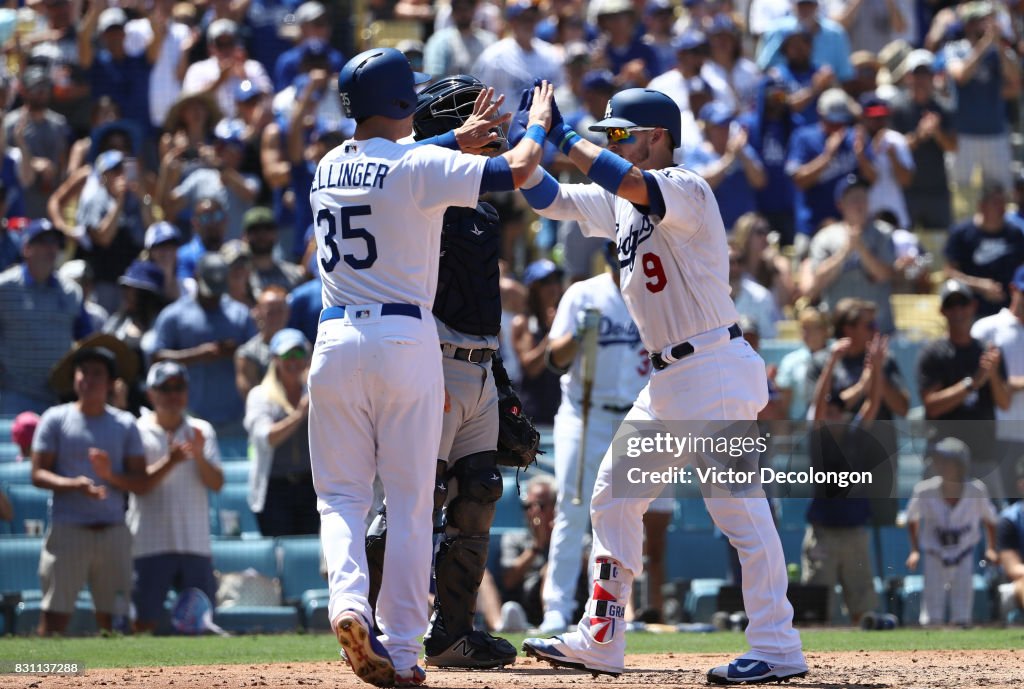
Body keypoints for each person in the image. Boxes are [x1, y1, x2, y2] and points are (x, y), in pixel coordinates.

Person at [516, 86, 807, 683]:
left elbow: (632, 185)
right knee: (613, 500)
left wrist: (565, 137)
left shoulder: (686, 187)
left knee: (739, 512)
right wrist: (525, 143)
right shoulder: (620, 201)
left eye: (622, 133)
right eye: (611, 134)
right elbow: (549, 199)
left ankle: (777, 644)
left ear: (658, 137)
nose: (613, 139)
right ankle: (603, 637)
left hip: (713, 366)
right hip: (671, 378)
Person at [309, 48, 551, 688]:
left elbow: (394, 159)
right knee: (415, 502)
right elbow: (521, 168)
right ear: (402, 104)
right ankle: (407, 651)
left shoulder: (329, 164)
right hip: (404, 340)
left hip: (333, 340)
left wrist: (454, 136)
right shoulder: (418, 164)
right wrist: (541, 124)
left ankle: (347, 605)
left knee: (340, 497)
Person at [362, 75, 534, 670]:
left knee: (479, 493)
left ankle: (453, 634)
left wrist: (504, 385)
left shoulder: (478, 205)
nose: (483, 123)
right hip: (428, 361)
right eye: (464, 114)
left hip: (479, 366)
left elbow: (485, 304)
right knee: (416, 502)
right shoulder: (414, 195)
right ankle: (368, 625)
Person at [540, 243, 670, 634]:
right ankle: (556, 608)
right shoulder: (583, 294)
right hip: (586, 413)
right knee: (573, 507)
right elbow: (554, 358)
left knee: (628, 515)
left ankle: (615, 609)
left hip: (637, 415)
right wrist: (581, 333)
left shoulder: (653, 296)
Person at [30, 345, 146, 635]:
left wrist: (110, 476)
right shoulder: (55, 419)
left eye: (97, 373)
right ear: (74, 379)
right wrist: (75, 485)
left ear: (110, 384)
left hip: (113, 532)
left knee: (117, 623)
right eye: (83, 372)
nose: (89, 379)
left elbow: (141, 480)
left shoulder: (125, 424)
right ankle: (45, 678)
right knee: (54, 619)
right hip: (68, 530)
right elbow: (38, 473)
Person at [129, 361, 224, 633]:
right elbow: (138, 485)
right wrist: (171, 461)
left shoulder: (201, 431)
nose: (173, 394)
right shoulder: (136, 430)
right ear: (150, 393)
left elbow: (216, 483)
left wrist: (198, 455)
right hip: (148, 544)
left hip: (194, 543)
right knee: (144, 624)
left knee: (200, 627)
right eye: (165, 388)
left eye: (179, 387)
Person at [803, 330, 886, 625]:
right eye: (831, 410)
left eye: (839, 410)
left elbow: (873, 403)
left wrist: (876, 367)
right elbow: (817, 409)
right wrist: (832, 361)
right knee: (817, 608)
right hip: (824, 531)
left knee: (862, 605)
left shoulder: (855, 436)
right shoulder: (819, 439)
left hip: (854, 531)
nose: (834, 415)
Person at [918, 279, 1009, 497]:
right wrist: (973, 383)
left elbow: (1004, 402)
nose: (958, 310)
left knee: (991, 523)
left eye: (963, 303)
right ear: (942, 311)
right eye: (951, 305)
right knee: (935, 522)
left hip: (983, 455)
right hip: (943, 458)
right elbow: (932, 406)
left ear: (973, 306)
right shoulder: (933, 354)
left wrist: (993, 374)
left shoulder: (988, 352)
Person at [151, 253, 257, 436]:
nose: (213, 298)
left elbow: (258, 355)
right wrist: (198, 355)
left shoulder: (240, 314)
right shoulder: (174, 315)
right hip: (189, 417)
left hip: (236, 418)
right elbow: (157, 357)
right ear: (197, 277)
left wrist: (236, 352)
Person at [0, 219, 90, 415]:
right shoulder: (4, 288)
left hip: (58, 399)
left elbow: (87, 339)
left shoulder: (71, 292)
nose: (51, 248)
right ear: (26, 248)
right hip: (12, 395)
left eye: (55, 243)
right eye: (43, 241)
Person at [906, 437, 999, 626]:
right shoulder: (924, 490)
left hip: (964, 553)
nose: (940, 465)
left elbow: (991, 520)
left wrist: (991, 548)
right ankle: (931, 650)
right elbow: (911, 518)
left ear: (960, 464)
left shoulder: (976, 490)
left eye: (946, 461)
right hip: (935, 553)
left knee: (962, 612)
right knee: (932, 614)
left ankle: (960, 653)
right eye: (939, 460)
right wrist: (914, 550)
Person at [800, 174, 896, 333]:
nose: (860, 204)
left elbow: (884, 275)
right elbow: (817, 284)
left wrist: (861, 249)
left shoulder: (883, 233)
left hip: (878, 329)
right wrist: (845, 252)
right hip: (838, 330)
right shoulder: (825, 237)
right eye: (853, 199)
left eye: (863, 197)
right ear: (840, 205)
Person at [244, 328, 317, 537]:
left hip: (311, 487)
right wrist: (299, 415)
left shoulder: (315, 392)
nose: (293, 361)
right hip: (274, 489)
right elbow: (266, 438)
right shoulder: (259, 396)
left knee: (310, 554)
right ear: (275, 358)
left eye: (299, 354)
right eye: (287, 355)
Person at [943, 1, 1020, 197]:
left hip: (996, 133)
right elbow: (960, 77)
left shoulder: (998, 51)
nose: (988, 25)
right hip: (964, 135)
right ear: (969, 24)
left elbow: (1015, 81)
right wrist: (985, 45)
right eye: (982, 21)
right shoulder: (956, 48)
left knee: (1000, 193)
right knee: (963, 194)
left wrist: (999, 48)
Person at [971, 266, 1024, 509]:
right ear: (1014, 289)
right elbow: (973, 380)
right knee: (1000, 512)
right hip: (999, 435)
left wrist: (1011, 384)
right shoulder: (987, 328)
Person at [887, 49, 957, 230]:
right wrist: (919, 135)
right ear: (908, 76)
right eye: (917, 74)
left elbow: (952, 147)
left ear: (933, 76)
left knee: (940, 246)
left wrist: (936, 132)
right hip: (907, 192)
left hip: (937, 191)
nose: (921, 79)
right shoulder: (897, 108)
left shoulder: (944, 107)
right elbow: (894, 148)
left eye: (926, 74)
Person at [944, 184, 1024, 318]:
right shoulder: (962, 233)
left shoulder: (1015, 234)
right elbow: (950, 272)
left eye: (1003, 203)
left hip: (1009, 313)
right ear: (981, 206)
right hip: (972, 311)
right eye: (996, 203)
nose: (1001, 208)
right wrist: (979, 285)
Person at [511, 259, 565, 425]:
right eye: (546, 282)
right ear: (533, 288)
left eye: (556, 280)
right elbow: (531, 368)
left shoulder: (565, 320)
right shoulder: (523, 323)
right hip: (534, 416)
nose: (553, 287)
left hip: (562, 412)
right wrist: (552, 333)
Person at [236, 286, 290, 402]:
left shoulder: (304, 346)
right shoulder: (247, 354)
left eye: (280, 311)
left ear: (288, 312)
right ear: (258, 313)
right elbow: (251, 399)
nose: (276, 317)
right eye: (270, 313)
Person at [775, 306, 830, 420]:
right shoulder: (790, 361)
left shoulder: (837, 355)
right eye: (804, 328)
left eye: (812, 328)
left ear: (825, 330)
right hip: (799, 430)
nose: (806, 333)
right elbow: (784, 405)